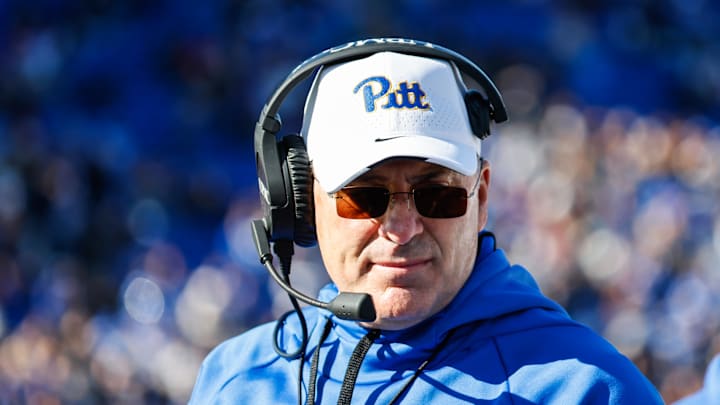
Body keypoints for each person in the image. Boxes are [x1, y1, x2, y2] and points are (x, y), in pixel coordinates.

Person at [189, 38, 664, 404]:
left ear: (480, 198)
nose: (402, 228)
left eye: (437, 196)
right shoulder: (236, 378)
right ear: (303, 203)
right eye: (364, 197)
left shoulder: (585, 388)